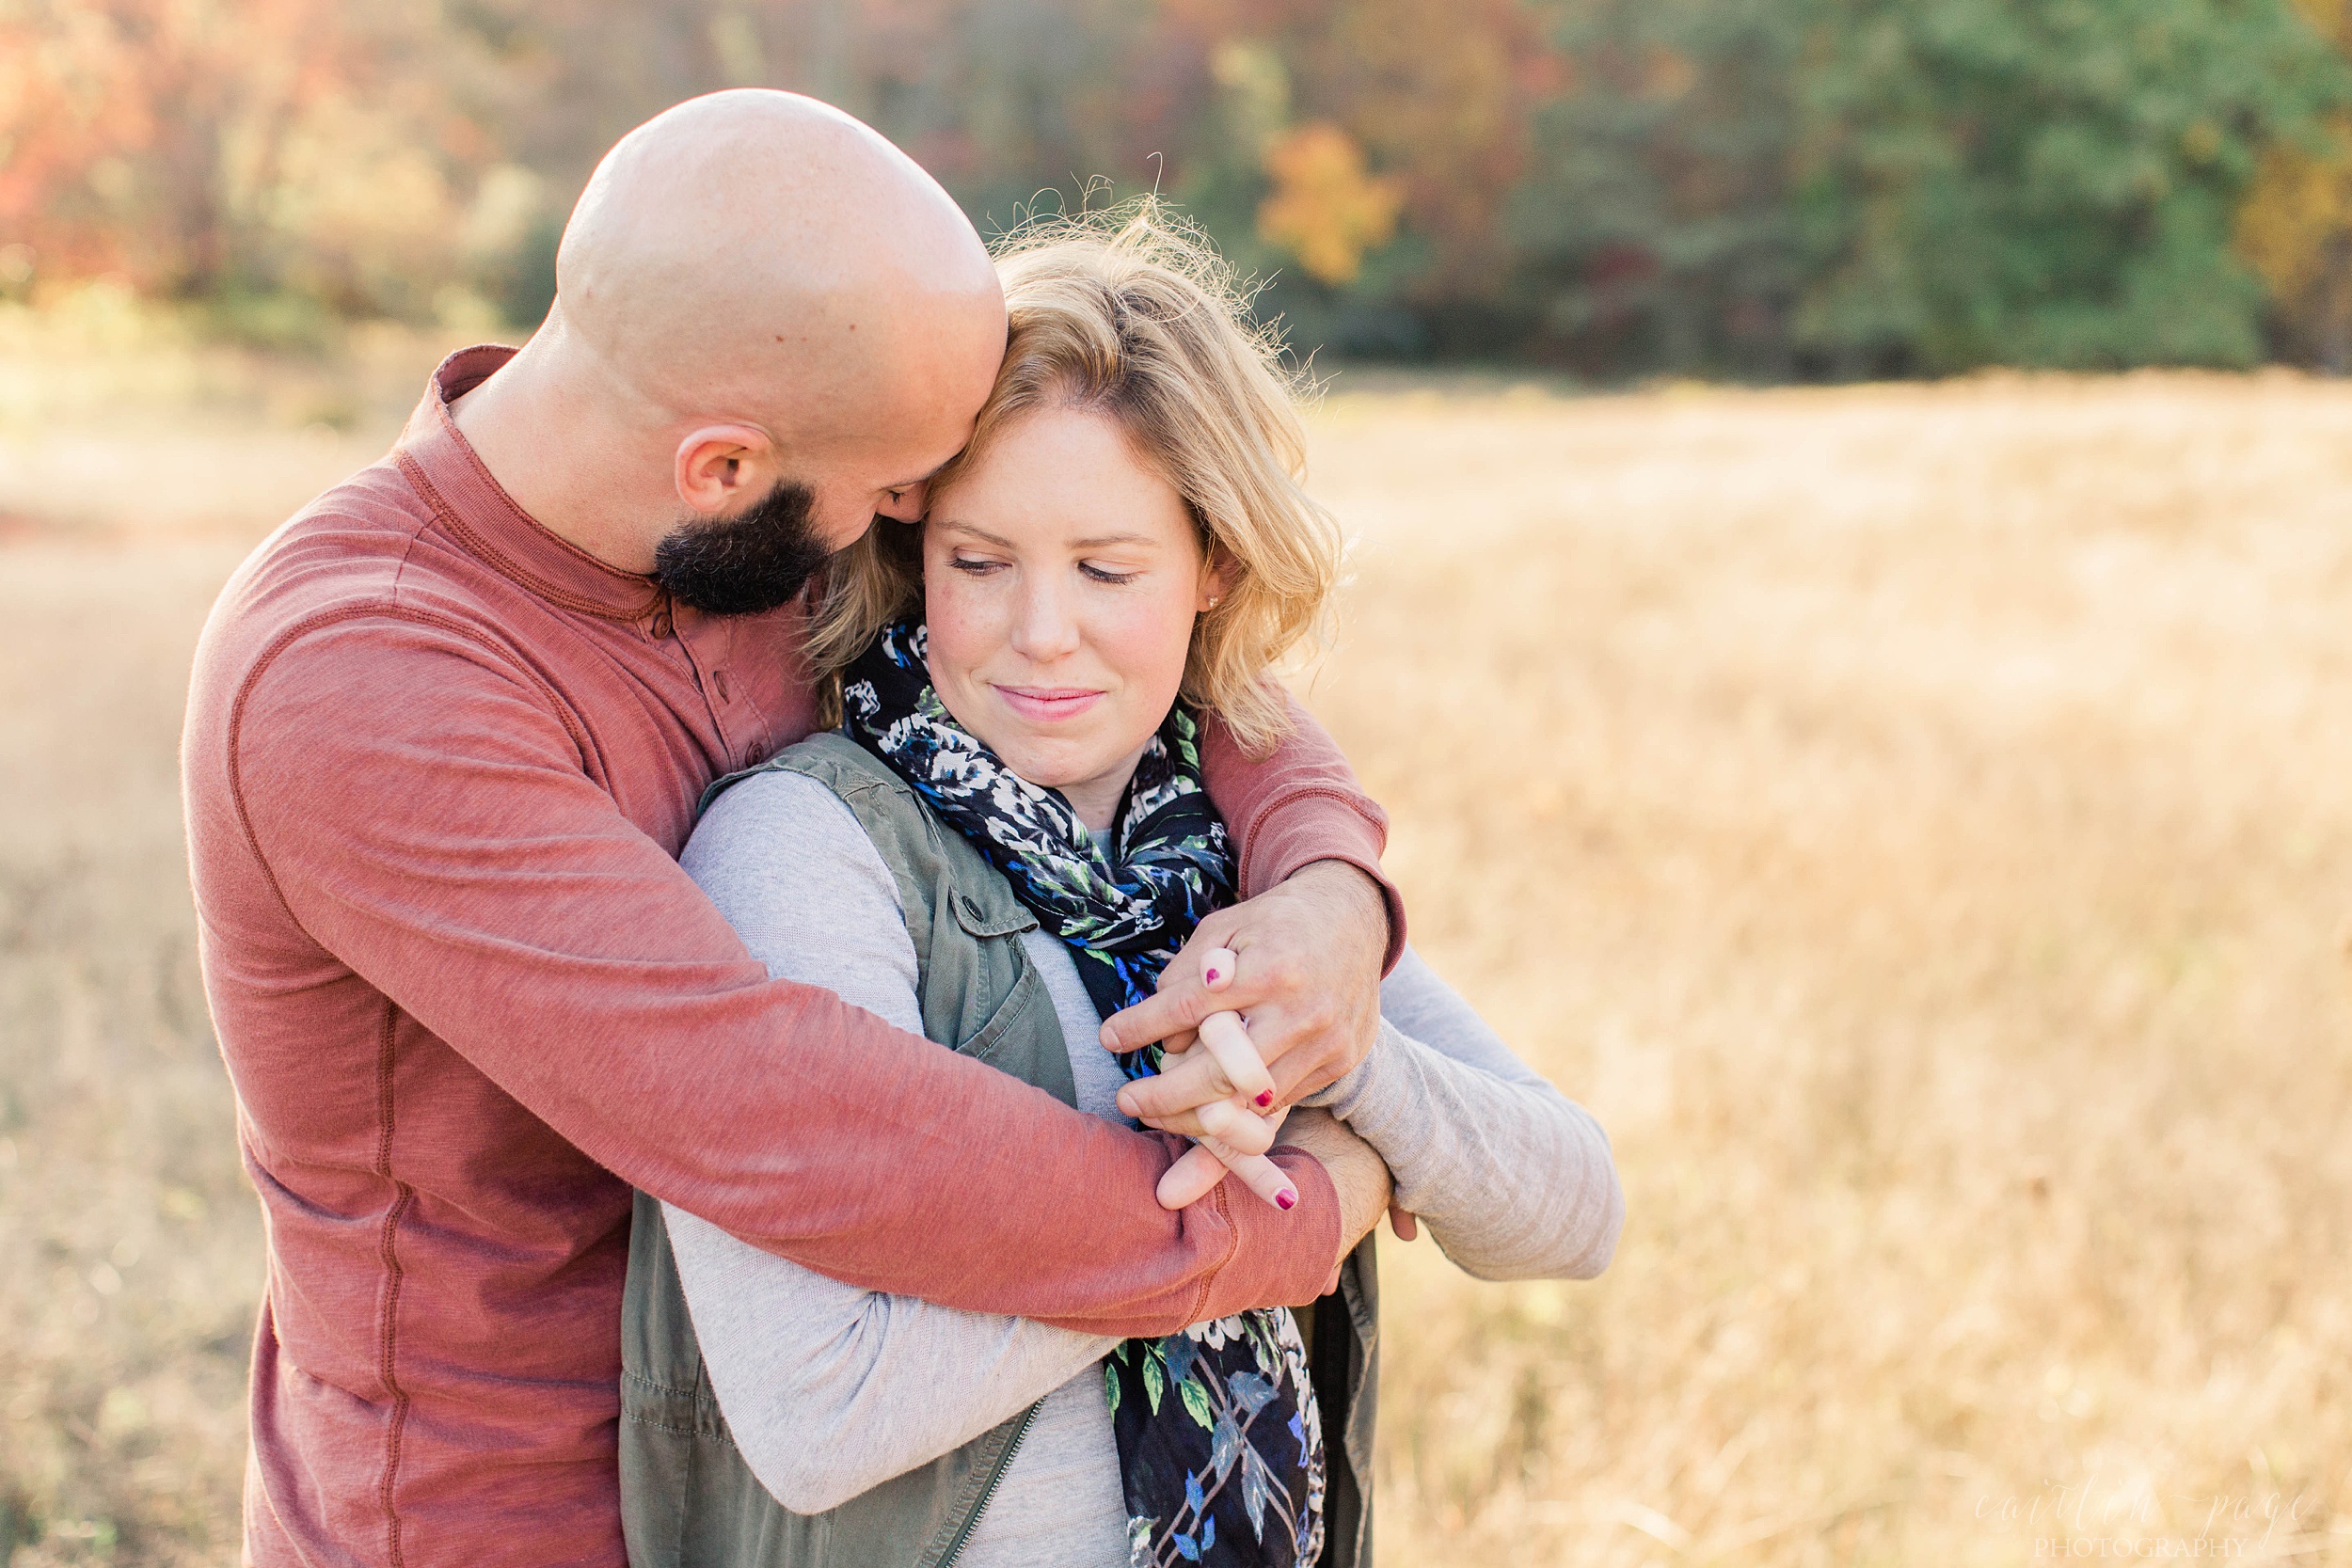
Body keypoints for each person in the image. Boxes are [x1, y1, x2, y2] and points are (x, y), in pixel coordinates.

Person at [182, 92, 1405, 1567]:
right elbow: (787, 1115)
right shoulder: (362, 682)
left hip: (795, 1524)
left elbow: (1158, 681)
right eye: (893, 488)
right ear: (722, 467)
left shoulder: (743, 538)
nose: (908, 513)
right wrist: (1289, 1219)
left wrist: (1333, 889)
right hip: (506, 1516)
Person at [620, 209, 1624, 1568]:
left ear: (1215, 564)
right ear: (914, 553)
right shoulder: (802, 854)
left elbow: (1574, 1211)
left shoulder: (1226, 857)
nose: (1042, 633)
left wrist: (1357, 1077)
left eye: (1106, 568)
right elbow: (820, 1411)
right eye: (980, 564)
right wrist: (1275, 1198)